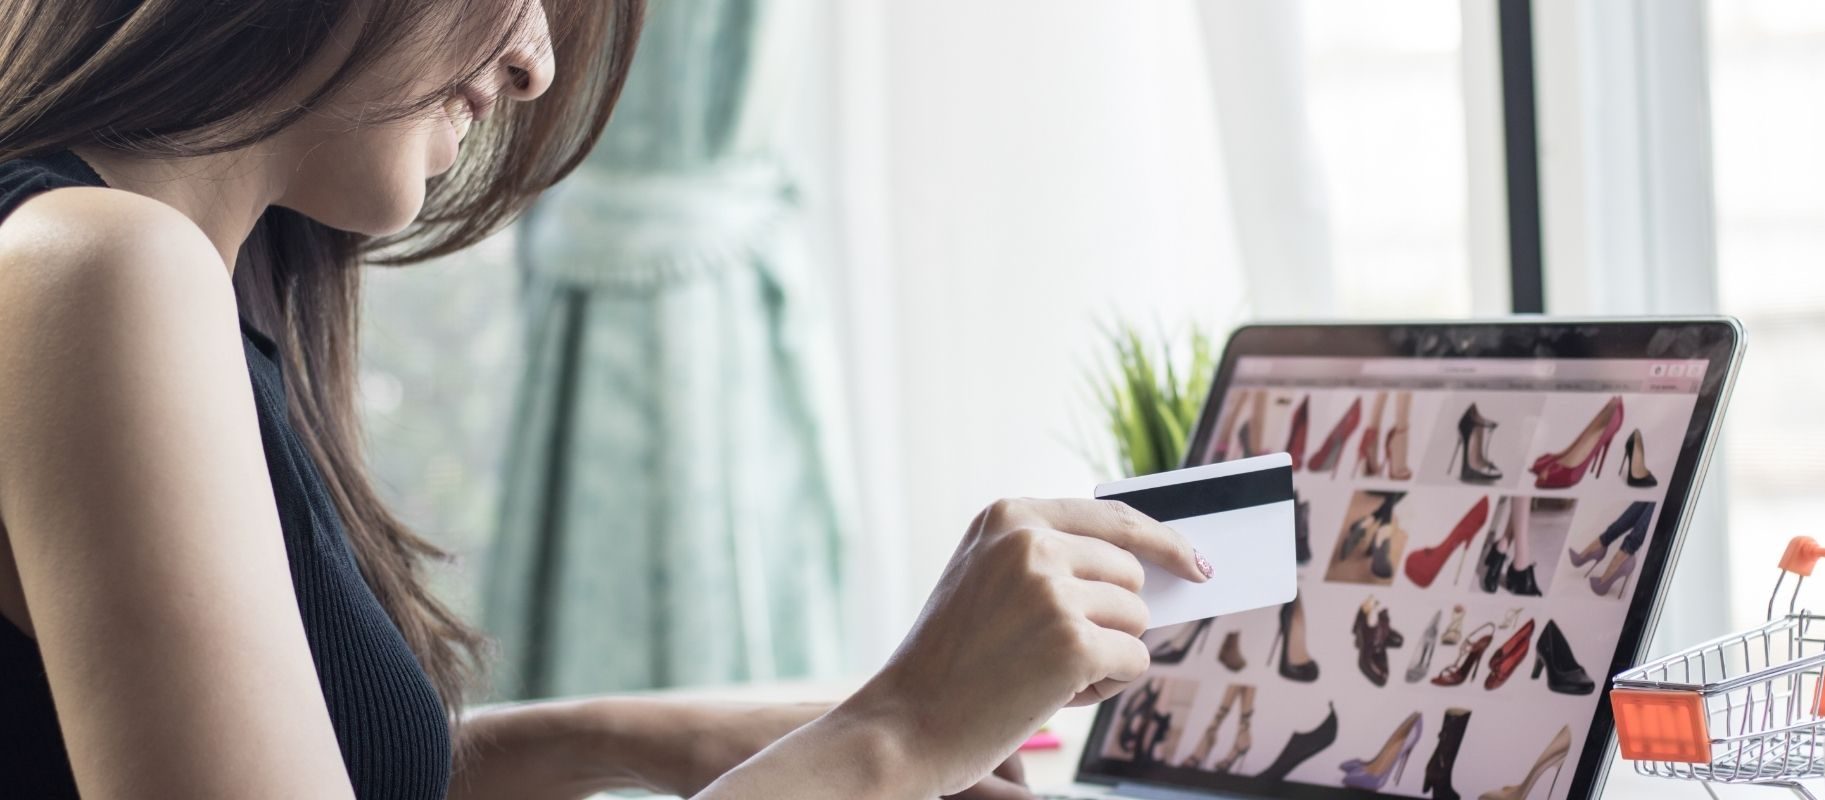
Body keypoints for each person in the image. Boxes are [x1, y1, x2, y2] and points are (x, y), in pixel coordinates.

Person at [0, 1, 1214, 798]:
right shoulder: (102, 269)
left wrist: (637, 734)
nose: (533, 60)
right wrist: (895, 737)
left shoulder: (142, 275)